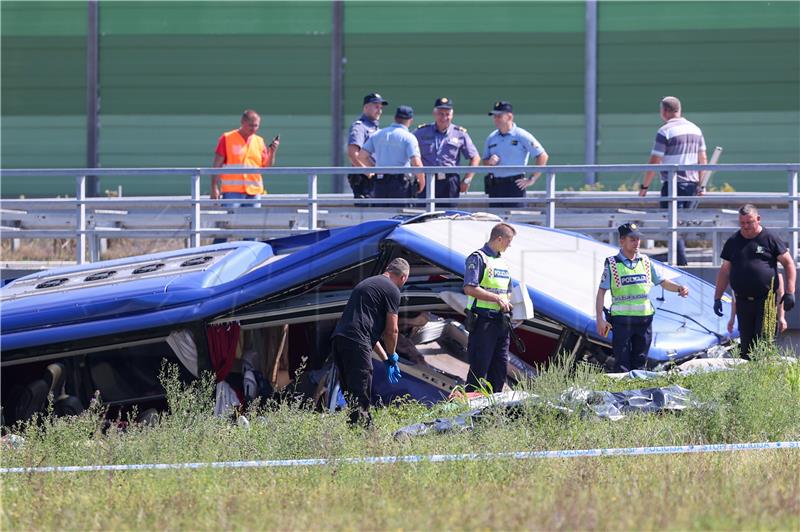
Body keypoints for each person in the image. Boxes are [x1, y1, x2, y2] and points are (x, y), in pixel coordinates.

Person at [595, 223, 689, 372]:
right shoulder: (612, 264)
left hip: (644, 320)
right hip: (621, 321)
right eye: (632, 239)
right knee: (622, 364)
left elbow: (662, 282)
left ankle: (638, 394)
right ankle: (623, 395)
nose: (637, 242)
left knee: (640, 363)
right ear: (622, 241)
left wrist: (679, 288)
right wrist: (599, 319)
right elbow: (601, 292)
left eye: (638, 239)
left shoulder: (645, 261)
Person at [330, 258, 409, 426]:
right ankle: (366, 438)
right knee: (360, 395)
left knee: (352, 396)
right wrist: (392, 354)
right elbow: (392, 331)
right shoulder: (392, 290)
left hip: (340, 340)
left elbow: (366, 335)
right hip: (356, 342)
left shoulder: (369, 283)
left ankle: (355, 432)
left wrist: (385, 359)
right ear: (403, 277)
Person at [713, 204, 796, 358]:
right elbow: (725, 270)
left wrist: (790, 292)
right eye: (742, 223)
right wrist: (717, 297)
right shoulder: (733, 241)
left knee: (763, 344)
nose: (745, 227)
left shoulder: (770, 238)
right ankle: (749, 379)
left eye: (749, 222)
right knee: (746, 349)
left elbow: (788, 263)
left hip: (766, 301)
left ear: (758, 219)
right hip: (743, 302)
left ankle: (764, 378)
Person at [639, 96, 707, 265]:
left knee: (672, 225)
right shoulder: (695, 130)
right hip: (691, 185)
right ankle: (679, 261)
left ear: (665, 111)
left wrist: (644, 186)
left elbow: (655, 161)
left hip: (672, 185)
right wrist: (702, 184)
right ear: (679, 109)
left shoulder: (665, 131)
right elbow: (703, 159)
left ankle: (681, 264)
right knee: (681, 226)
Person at [211, 109, 279, 243]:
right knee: (226, 226)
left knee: (252, 227)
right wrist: (214, 187)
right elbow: (216, 164)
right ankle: (216, 252)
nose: (253, 129)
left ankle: (248, 254)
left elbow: (266, 165)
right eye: (251, 125)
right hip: (232, 191)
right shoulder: (227, 138)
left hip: (253, 191)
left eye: (256, 126)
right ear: (242, 123)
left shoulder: (259, 141)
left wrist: (272, 151)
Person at [463, 222, 516, 392]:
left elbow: (507, 290)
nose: (510, 245)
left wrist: (506, 302)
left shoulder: (504, 263)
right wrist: (497, 299)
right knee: (479, 368)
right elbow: (469, 288)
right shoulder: (478, 258)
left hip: (501, 321)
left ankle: (494, 411)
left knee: (500, 368)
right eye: (509, 241)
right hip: (483, 321)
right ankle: (470, 409)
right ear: (499, 239)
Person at [413, 97, 480, 207]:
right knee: (424, 216)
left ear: (452, 115)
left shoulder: (460, 133)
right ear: (434, 114)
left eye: (447, 114)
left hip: (449, 182)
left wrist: (467, 180)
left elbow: (475, 157)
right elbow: (409, 152)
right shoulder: (422, 132)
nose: (444, 117)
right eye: (440, 113)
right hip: (427, 180)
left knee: (449, 217)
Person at [482, 101, 549, 209]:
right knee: (495, 221)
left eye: (499, 116)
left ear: (509, 116)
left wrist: (532, 179)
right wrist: (489, 162)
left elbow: (542, 156)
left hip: (515, 185)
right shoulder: (491, 137)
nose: (495, 119)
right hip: (495, 186)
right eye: (494, 116)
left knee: (515, 222)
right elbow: (484, 161)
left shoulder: (521, 135)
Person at [357, 105, 425, 206]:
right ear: (410, 120)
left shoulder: (378, 134)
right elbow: (416, 163)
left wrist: (375, 168)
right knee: (401, 217)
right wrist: (422, 182)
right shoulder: (409, 137)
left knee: (382, 216)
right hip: (401, 184)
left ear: (395, 118)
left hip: (380, 182)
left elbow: (361, 156)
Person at [347, 92, 388, 201]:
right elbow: (353, 154)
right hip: (364, 179)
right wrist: (368, 172)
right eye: (376, 106)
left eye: (380, 107)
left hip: (375, 177)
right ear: (366, 107)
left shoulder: (375, 128)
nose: (379, 110)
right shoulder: (360, 127)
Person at [728, 272, 788, 337]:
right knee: (746, 342)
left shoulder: (774, 272)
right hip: (745, 310)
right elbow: (734, 296)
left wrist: (781, 317)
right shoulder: (740, 269)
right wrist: (732, 318)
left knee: (764, 338)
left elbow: (780, 295)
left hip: (766, 309)